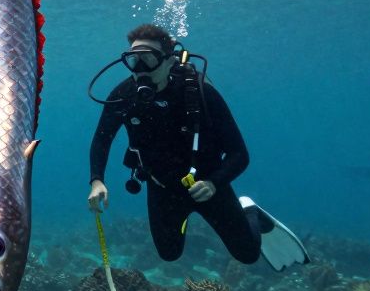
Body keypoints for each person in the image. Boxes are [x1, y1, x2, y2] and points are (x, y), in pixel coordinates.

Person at [85, 23, 307, 270]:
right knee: (169, 254)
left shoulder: (201, 93)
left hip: (208, 184)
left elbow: (239, 154)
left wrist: (214, 183)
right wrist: (97, 180)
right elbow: (102, 140)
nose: (140, 69)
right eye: (133, 60)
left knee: (248, 255)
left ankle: (249, 209)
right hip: (162, 187)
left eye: (148, 59)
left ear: (170, 60)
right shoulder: (123, 95)